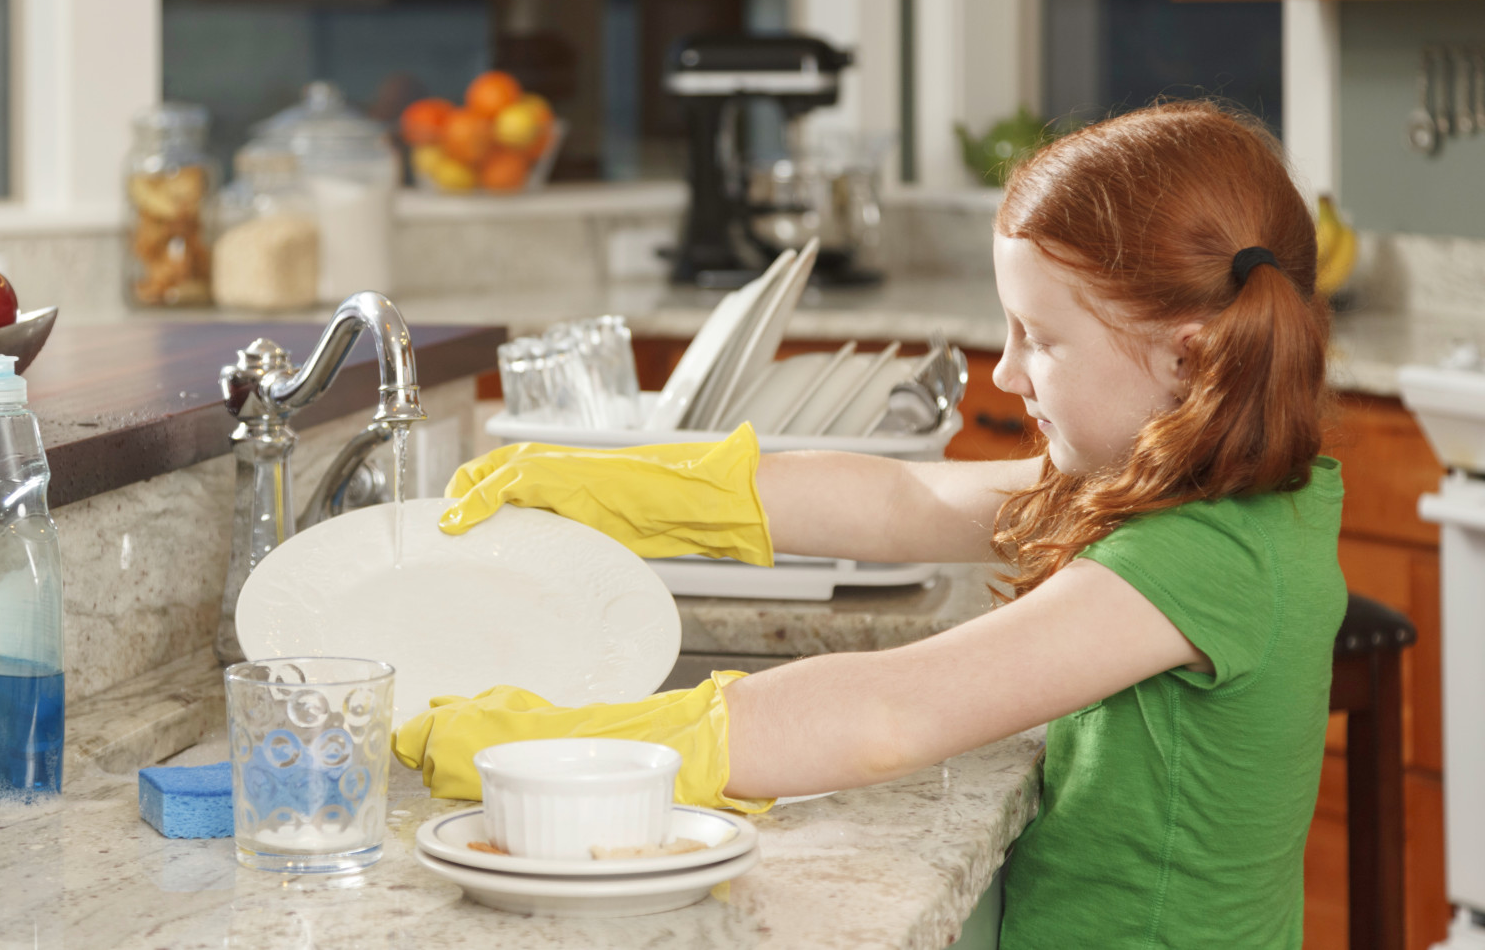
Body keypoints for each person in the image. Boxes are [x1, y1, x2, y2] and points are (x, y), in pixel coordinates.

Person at [393, 101, 1346, 948]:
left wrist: (554, 755)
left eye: (1041, 339)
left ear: (1186, 360)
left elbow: (888, 714)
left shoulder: (1199, 555)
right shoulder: (1226, 489)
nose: (1006, 376)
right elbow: (908, 500)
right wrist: (627, 482)